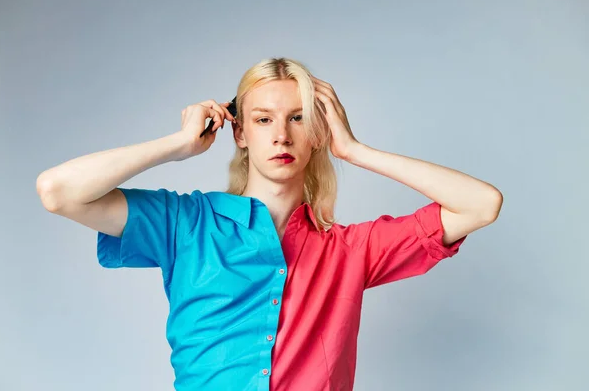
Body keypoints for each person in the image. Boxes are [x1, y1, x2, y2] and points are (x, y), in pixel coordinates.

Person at [36, 57, 503, 391]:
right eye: (263, 119)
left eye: (298, 118)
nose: (282, 134)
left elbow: (481, 205)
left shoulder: (350, 250)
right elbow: (57, 191)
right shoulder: (186, 223)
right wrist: (177, 145)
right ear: (240, 133)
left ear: (316, 134)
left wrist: (355, 151)